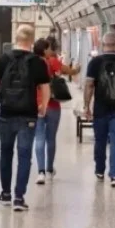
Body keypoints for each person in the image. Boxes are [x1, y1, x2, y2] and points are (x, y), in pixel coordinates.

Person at [0, 24, 50, 211]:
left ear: (16, 38)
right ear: (31, 41)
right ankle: (19, 198)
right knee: (24, 155)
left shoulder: (3, 60)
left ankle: (5, 194)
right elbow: (45, 87)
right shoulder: (37, 62)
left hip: (6, 114)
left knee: (5, 153)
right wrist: (43, 106)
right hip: (28, 116)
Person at [83, 31, 115, 187]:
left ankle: (100, 170)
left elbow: (89, 85)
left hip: (100, 110)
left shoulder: (95, 63)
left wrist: (87, 105)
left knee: (100, 140)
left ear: (102, 44)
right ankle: (114, 176)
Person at [34, 37, 80, 185]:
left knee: (39, 138)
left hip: (37, 105)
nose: (51, 51)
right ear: (45, 50)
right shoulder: (52, 62)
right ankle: (49, 170)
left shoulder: (32, 63)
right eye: (48, 49)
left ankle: (40, 172)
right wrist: (78, 68)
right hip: (53, 106)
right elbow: (70, 71)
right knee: (51, 138)